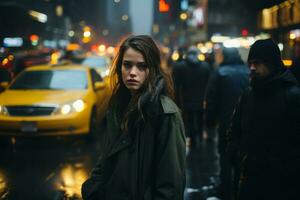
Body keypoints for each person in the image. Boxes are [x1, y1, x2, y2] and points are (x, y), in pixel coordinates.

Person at [81, 35, 186, 200]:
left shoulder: (165, 114)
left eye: (141, 66)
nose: (132, 73)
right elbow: (106, 158)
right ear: (119, 67)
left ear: (152, 69)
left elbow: (170, 186)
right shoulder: (117, 106)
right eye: (127, 65)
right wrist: (92, 189)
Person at [227, 38, 300, 200]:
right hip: (250, 181)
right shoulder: (248, 94)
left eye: (258, 63)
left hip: (283, 185)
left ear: (272, 63)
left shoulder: (292, 96)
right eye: (250, 63)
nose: (252, 68)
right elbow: (235, 130)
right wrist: (238, 156)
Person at [205, 47, 249, 200]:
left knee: (224, 157)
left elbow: (211, 99)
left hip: (225, 123)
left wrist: (210, 121)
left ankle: (225, 190)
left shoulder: (219, 72)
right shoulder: (248, 71)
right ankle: (238, 189)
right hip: (245, 124)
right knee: (241, 159)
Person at [172, 46, 211, 148]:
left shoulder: (180, 66)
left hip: (186, 100)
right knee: (200, 120)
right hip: (200, 100)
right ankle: (200, 139)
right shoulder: (205, 66)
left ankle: (192, 140)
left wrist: (176, 102)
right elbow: (208, 84)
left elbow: (175, 85)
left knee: (188, 121)